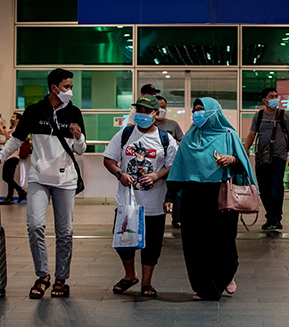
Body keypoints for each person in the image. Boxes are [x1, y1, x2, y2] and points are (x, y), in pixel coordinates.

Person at [0, 68, 86, 298]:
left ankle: (61, 279)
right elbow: (16, 139)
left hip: (66, 180)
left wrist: (79, 136)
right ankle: (43, 275)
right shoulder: (34, 111)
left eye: (71, 86)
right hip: (39, 178)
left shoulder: (74, 112)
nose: (70, 91)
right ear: (53, 87)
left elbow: (81, 150)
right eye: (66, 86)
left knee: (65, 231)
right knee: (35, 225)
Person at [163, 97, 257, 301]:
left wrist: (232, 160)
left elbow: (243, 164)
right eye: (195, 110)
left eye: (202, 110)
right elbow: (178, 167)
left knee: (222, 241)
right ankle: (205, 288)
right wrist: (170, 196)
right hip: (192, 195)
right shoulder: (189, 137)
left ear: (214, 112)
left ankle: (226, 274)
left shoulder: (228, 135)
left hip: (220, 195)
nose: (197, 114)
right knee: (194, 243)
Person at [103, 95, 178, 297]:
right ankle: (130, 275)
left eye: (147, 111)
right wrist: (120, 173)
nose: (142, 114)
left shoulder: (165, 139)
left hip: (154, 202)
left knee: (152, 245)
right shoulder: (125, 134)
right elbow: (109, 159)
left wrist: (157, 175)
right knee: (123, 241)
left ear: (156, 114)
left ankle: (146, 282)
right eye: (139, 110)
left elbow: (173, 165)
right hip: (127, 201)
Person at [243, 88, 289, 230]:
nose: (275, 99)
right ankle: (272, 216)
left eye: (276, 96)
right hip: (263, 157)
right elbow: (251, 134)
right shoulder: (259, 116)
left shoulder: (284, 115)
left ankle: (275, 218)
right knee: (264, 188)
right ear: (264, 100)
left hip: (279, 157)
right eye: (271, 96)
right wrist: (246, 150)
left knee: (277, 186)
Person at [154, 95, 184, 228]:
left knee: (174, 190)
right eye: (158, 107)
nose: (161, 110)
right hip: (155, 166)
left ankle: (176, 217)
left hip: (172, 165)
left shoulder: (173, 124)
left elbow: (182, 141)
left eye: (163, 107)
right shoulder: (148, 125)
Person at [0, 112, 27, 205]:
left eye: (14, 117)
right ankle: (10, 197)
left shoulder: (17, 130)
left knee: (6, 177)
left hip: (13, 156)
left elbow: (9, 138)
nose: (12, 119)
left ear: (18, 120)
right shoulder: (11, 129)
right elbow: (0, 132)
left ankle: (20, 191)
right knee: (9, 177)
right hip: (9, 156)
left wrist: (4, 126)